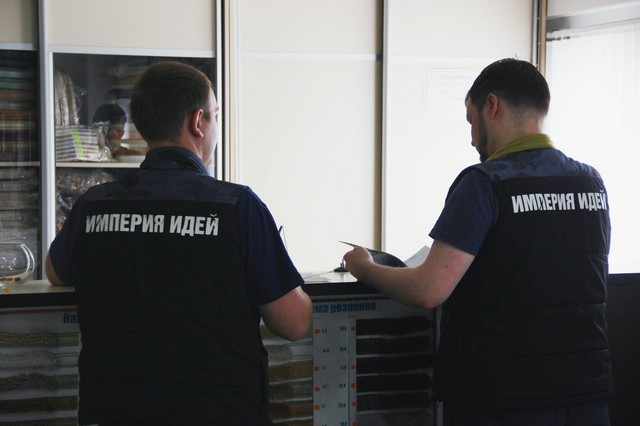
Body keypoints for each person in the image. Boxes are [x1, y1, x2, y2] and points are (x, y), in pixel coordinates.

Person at [343, 58, 613, 426]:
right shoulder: (590, 182)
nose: (472, 138)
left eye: (472, 121)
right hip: (585, 391)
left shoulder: (485, 183)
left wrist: (365, 268)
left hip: (502, 398)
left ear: (492, 105)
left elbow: (429, 289)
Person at [46, 61, 312, 425]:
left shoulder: (94, 205)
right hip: (219, 414)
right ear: (198, 121)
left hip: (116, 413)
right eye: (216, 115)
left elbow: (55, 271)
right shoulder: (237, 207)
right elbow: (294, 323)